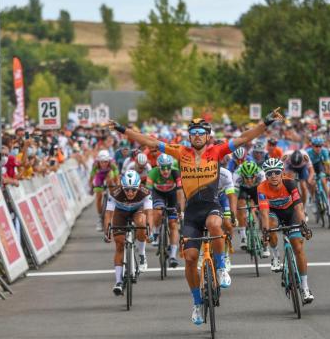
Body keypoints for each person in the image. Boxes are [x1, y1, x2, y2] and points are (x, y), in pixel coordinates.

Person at [110, 108, 282, 325]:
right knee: (190, 260)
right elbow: (150, 141)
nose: (198, 136)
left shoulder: (217, 151)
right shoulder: (181, 152)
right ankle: (198, 303)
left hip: (211, 205)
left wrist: (266, 122)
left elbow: (245, 137)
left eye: (202, 132)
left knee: (214, 224)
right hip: (191, 213)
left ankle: (220, 268)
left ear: (208, 135)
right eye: (194, 133)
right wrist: (121, 129)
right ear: (190, 136)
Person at [257, 158, 314, 304]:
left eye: (277, 172)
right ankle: (275, 256)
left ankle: (305, 287)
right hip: (273, 213)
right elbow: (264, 213)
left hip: (291, 213)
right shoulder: (261, 188)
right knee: (270, 226)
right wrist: (265, 232)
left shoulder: (290, 183)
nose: (273, 176)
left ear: (282, 173)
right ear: (266, 175)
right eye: (270, 173)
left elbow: (298, 208)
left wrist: (303, 225)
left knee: (298, 247)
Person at [104, 170, 152, 295]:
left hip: (137, 211)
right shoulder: (115, 193)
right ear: (122, 187)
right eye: (127, 190)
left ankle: (142, 254)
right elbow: (108, 214)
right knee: (119, 244)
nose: (130, 193)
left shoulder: (145, 192)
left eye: (133, 190)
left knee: (142, 224)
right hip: (121, 213)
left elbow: (149, 213)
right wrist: (107, 231)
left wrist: (149, 230)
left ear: (138, 187)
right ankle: (118, 281)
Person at [146, 154, 184, 267]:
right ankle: (157, 231)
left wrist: (180, 210)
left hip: (172, 194)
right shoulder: (152, 172)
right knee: (157, 212)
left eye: (168, 167)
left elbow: (180, 192)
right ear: (158, 167)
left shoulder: (176, 172)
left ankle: (172, 256)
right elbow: (148, 193)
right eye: (163, 167)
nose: (166, 170)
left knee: (173, 224)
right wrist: (148, 208)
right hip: (158, 194)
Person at [233, 161, 266, 253]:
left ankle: (264, 238)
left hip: (256, 189)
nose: (249, 180)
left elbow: (265, 193)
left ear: (256, 174)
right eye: (246, 178)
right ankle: (243, 237)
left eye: (252, 177)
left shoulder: (261, 174)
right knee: (240, 208)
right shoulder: (236, 175)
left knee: (264, 211)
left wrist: (260, 207)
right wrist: (234, 212)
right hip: (243, 189)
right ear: (242, 175)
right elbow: (234, 195)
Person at [90, 150, 119, 231]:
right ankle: (100, 217)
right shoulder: (95, 165)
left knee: (111, 181)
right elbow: (91, 178)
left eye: (106, 162)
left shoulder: (112, 164)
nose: (104, 164)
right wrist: (92, 187)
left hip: (109, 175)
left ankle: (112, 201)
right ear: (98, 161)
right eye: (101, 162)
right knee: (98, 196)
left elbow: (117, 178)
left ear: (109, 161)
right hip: (99, 176)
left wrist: (117, 187)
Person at [307, 137, 330, 216]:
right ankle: (313, 200)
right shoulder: (308, 152)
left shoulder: (324, 151)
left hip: (319, 166)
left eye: (320, 146)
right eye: (316, 146)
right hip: (310, 167)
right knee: (312, 183)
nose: (318, 148)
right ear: (312, 146)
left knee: (323, 181)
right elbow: (306, 167)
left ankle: (329, 206)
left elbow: (328, 165)